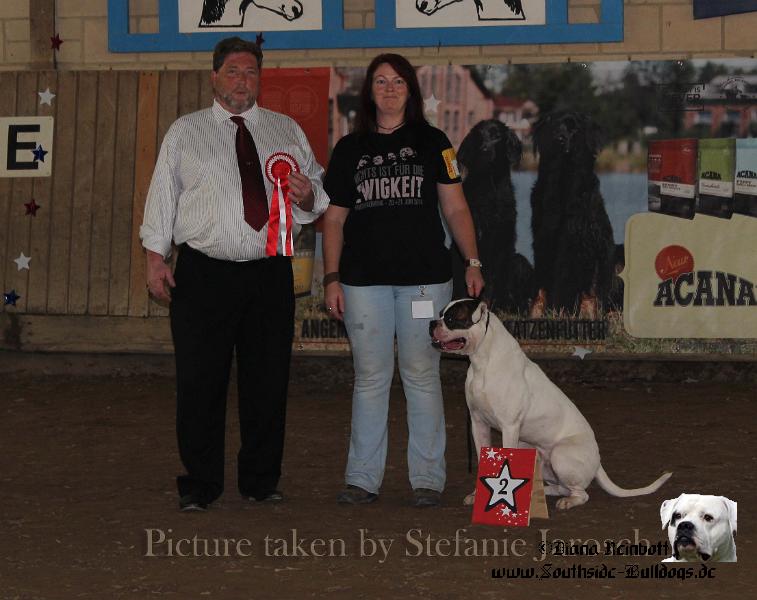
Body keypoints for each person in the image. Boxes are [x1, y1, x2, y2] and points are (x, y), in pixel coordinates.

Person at [140, 36, 329, 512]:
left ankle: (261, 481)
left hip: (268, 274)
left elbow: (317, 194)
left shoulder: (286, 129)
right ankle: (200, 484)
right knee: (199, 382)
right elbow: (163, 194)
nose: (242, 81)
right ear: (214, 77)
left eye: (250, 72)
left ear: (259, 78)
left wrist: (307, 196)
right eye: (233, 72)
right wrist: (154, 256)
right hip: (203, 275)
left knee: (267, 380)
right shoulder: (185, 131)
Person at [322, 54, 485, 508]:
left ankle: (428, 479)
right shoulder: (349, 150)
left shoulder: (434, 142)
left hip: (423, 284)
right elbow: (333, 220)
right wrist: (331, 277)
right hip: (362, 283)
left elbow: (455, 208)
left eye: (398, 81)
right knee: (370, 378)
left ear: (410, 90)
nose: (389, 88)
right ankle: (362, 478)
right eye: (380, 81)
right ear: (368, 91)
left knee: (421, 374)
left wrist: (472, 260)